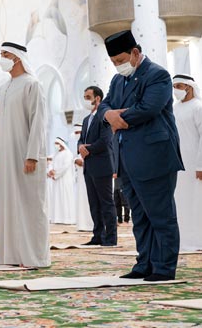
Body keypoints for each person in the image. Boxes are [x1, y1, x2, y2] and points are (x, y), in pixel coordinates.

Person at [99, 30, 183, 281]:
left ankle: (164, 267)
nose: (118, 66)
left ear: (135, 53)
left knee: (160, 215)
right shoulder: (118, 80)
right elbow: (106, 104)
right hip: (127, 159)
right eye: (113, 62)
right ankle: (144, 263)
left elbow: (148, 108)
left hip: (154, 156)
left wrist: (117, 118)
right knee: (139, 216)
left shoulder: (157, 75)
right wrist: (108, 115)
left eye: (120, 60)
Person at [0, 42, 50, 268]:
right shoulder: (3, 88)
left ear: (17, 57)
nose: (2, 58)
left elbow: (38, 122)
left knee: (30, 204)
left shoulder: (32, 84)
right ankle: (12, 255)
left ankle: (35, 256)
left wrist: (33, 155)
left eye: (5, 54)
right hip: (6, 157)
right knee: (9, 205)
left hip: (25, 154)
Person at [78, 86, 117, 245]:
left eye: (88, 97)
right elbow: (81, 139)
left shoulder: (104, 116)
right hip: (89, 167)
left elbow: (105, 140)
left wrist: (87, 149)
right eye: (84, 97)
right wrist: (80, 147)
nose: (85, 100)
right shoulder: (86, 119)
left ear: (98, 98)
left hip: (102, 165)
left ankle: (111, 237)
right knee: (94, 203)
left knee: (106, 203)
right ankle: (98, 236)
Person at [171, 74, 202, 251]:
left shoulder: (198, 107)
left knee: (196, 201)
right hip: (177, 163)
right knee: (180, 201)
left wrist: (200, 165)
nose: (176, 90)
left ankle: (198, 239)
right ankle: (182, 239)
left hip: (194, 164)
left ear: (189, 87)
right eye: (174, 87)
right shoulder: (175, 108)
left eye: (179, 86)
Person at [72, 124, 94, 232]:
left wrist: (84, 163)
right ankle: (82, 224)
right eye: (75, 133)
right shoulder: (77, 145)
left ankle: (91, 224)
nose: (77, 135)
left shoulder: (90, 141)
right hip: (80, 178)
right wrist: (75, 161)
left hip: (91, 174)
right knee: (81, 199)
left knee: (91, 199)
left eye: (79, 133)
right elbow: (75, 158)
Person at [48, 138, 75, 224]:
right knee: (57, 198)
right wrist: (51, 170)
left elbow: (65, 166)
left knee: (65, 198)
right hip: (56, 180)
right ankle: (57, 218)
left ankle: (67, 219)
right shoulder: (56, 154)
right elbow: (51, 163)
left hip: (65, 179)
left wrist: (56, 173)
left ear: (61, 144)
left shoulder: (68, 154)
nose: (56, 145)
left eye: (57, 143)